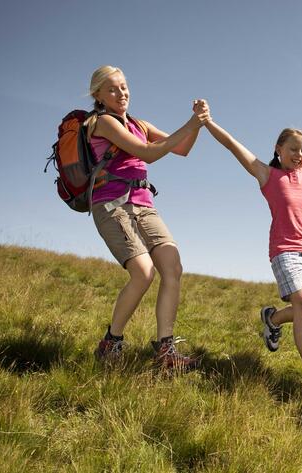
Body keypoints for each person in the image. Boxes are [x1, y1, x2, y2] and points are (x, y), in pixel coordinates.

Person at [202, 97, 302, 402]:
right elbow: (232, 145)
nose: (299, 154)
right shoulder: (267, 175)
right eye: (293, 148)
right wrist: (207, 122)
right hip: (285, 250)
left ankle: (272, 319)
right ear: (278, 149)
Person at [86, 65, 210, 372]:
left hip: (144, 204)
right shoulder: (101, 122)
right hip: (112, 205)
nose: (121, 93)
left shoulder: (139, 123)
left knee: (172, 266)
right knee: (143, 272)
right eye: (112, 89)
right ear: (98, 95)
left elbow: (182, 148)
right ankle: (110, 344)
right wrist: (190, 123)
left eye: (124, 87)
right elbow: (149, 153)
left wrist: (197, 123)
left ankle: (165, 352)